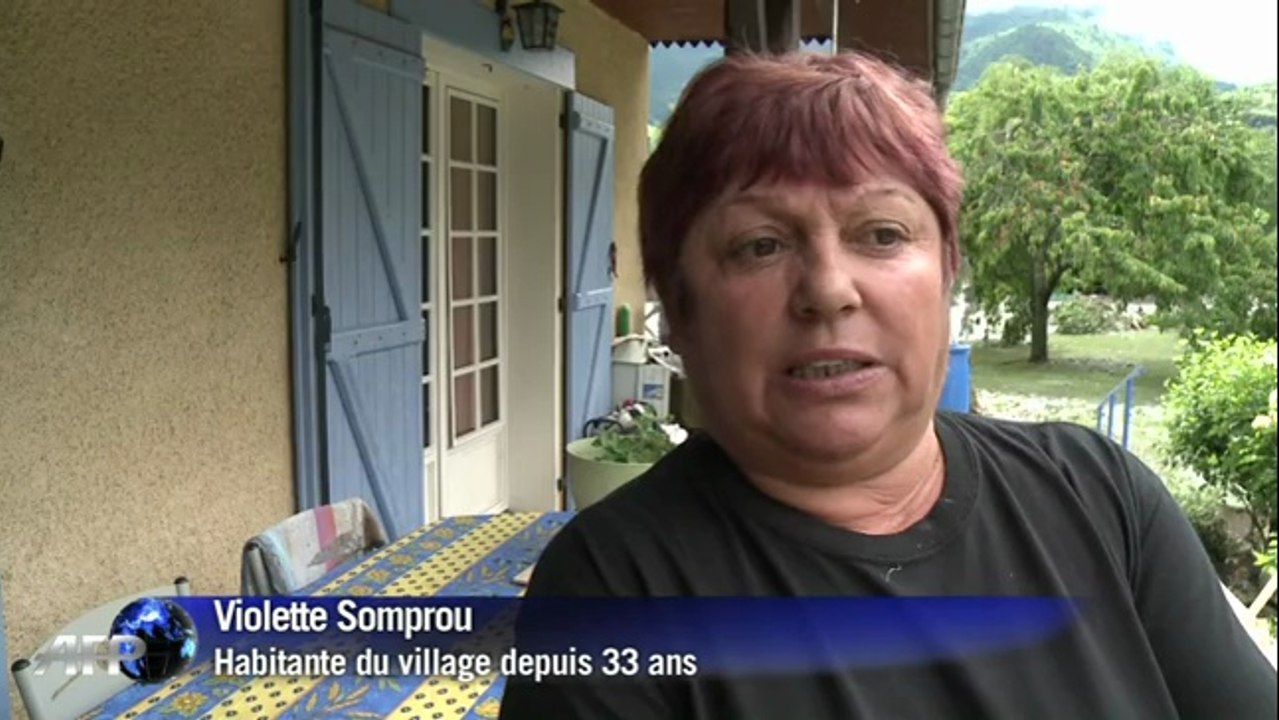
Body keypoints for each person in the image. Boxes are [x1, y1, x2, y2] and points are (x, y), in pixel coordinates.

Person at [499, 50, 1277, 719]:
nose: (828, 289)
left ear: (946, 274)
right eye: (759, 245)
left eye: (881, 233)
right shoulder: (612, 590)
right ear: (679, 313)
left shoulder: (1099, 497)